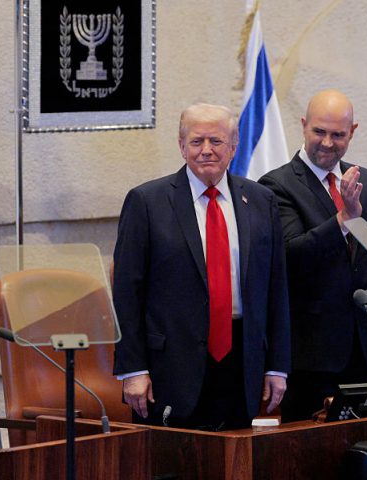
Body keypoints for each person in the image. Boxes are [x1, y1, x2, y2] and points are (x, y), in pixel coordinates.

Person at [112, 103, 291, 430]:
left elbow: (276, 288)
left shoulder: (261, 201)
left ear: (234, 146)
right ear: (181, 146)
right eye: (196, 142)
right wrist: (133, 369)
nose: (206, 150)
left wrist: (277, 366)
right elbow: (126, 292)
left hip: (241, 363)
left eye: (216, 141)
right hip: (171, 368)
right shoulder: (146, 202)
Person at [258, 89, 367, 422]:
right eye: (319, 132)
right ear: (304, 126)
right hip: (310, 356)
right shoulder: (276, 185)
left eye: (338, 134)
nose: (327, 142)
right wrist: (343, 221)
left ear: (353, 132)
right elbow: (291, 256)